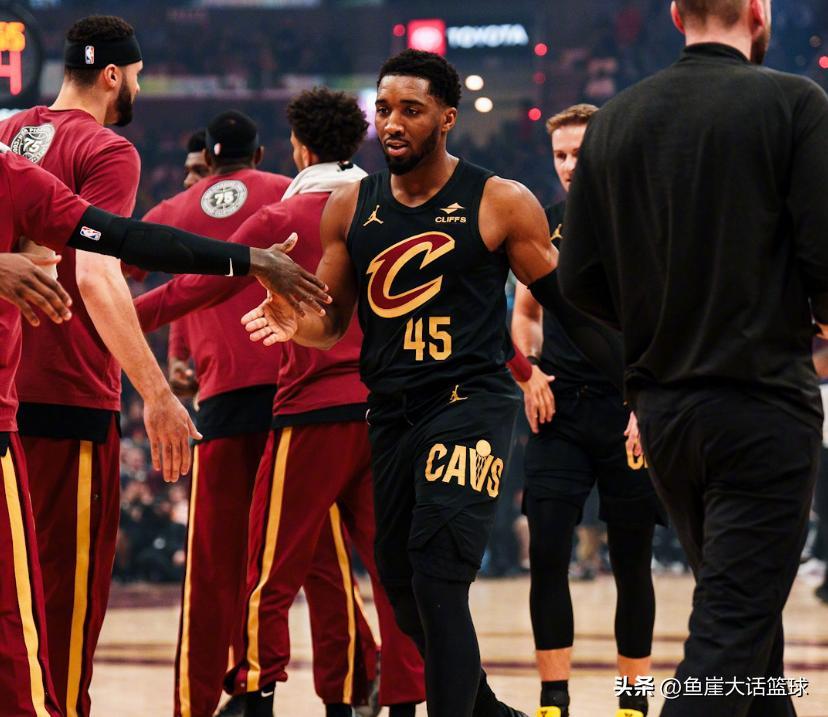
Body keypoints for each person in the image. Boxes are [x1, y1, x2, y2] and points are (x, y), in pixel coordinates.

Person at [241, 49, 576, 717]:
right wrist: (294, 323)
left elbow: (564, 305)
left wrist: (634, 381)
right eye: (384, 109)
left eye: (410, 110)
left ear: (447, 118)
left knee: (434, 570)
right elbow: (330, 324)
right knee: (398, 577)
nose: (392, 123)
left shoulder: (500, 200)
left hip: (465, 402)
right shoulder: (349, 206)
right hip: (389, 411)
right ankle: (486, 711)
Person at [557, 0, 828, 715]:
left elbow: (578, 280)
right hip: (761, 404)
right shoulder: (794, 102)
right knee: (729, 630)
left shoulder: (614, 119)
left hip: (666, 416)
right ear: (758, 11)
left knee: (749, 628)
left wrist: (664, 317)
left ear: (677, 14)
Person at [0, 142, 325, 717]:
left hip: (196, 403)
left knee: (213, 573)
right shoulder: (296, 196)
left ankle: (205, 702)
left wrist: (243, 262)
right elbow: (116, 255)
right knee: (315, 567)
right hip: (301, 398)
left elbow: (134, 255)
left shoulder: (19, 160)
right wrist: (250, 261)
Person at [134, 87, 426, 717]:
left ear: (296, 147)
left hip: (295, 413)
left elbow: (191, 287)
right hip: (384, 412)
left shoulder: (275, 217)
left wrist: (111, 323)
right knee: (386, 572)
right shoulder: (390, 210)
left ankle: (248, 695)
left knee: (260, 571)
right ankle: (387, 699)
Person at [0, 16, 195, 716]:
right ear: (114, 74)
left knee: (12, 604)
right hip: (69, 397)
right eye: (136, 75)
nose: (136, 86)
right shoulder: (109, 149)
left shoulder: (10, 132)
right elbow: (97, 272)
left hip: (7, 398)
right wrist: (156, 394)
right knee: (65, 606)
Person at [512, 103, 663, 717]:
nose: (570, 165)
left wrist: (648, 401)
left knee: (632, 560)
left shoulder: (648, 223)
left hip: (629, 413)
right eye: (561, 155)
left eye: (581, 152)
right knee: (547, 552)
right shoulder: (542, 225)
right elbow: (525, 314)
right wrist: (529, 373)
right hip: (559, 411)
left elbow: (666, 325)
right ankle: (554, 700)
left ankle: (634, 701)